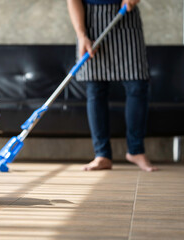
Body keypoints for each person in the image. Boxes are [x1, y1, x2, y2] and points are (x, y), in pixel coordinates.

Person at [67, 0, 158, 171]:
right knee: (95, 89)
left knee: (138, 85)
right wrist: (81, 35)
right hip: (90, 23)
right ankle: (102, 155)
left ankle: (136, 150)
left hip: (126, 18)